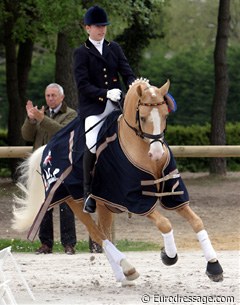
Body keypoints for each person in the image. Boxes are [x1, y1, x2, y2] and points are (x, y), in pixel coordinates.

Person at [73, 5, 136, 214]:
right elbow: (82, 85)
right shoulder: (81, 52)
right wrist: (105, 93)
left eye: (104, 26)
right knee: (91, 143)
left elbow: (127, 73)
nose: (102, 30)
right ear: (87, 28)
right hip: (94, 108)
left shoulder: (114, 48)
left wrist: (137, 87)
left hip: (116, 105)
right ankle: (88, 193)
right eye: (98, 26)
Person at [21, 83, 77, 254]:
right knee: (43, 204)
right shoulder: (39, 114)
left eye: (53, 95)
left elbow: (63, 131)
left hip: (62, 166)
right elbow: (26, 135)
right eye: (48, 96)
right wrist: (31, 120)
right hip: (42, 166)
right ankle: (46, 244)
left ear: (62, 97)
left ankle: (69, 244)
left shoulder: (71, 114)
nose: (50, 99)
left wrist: (41, 119)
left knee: (66, 204)